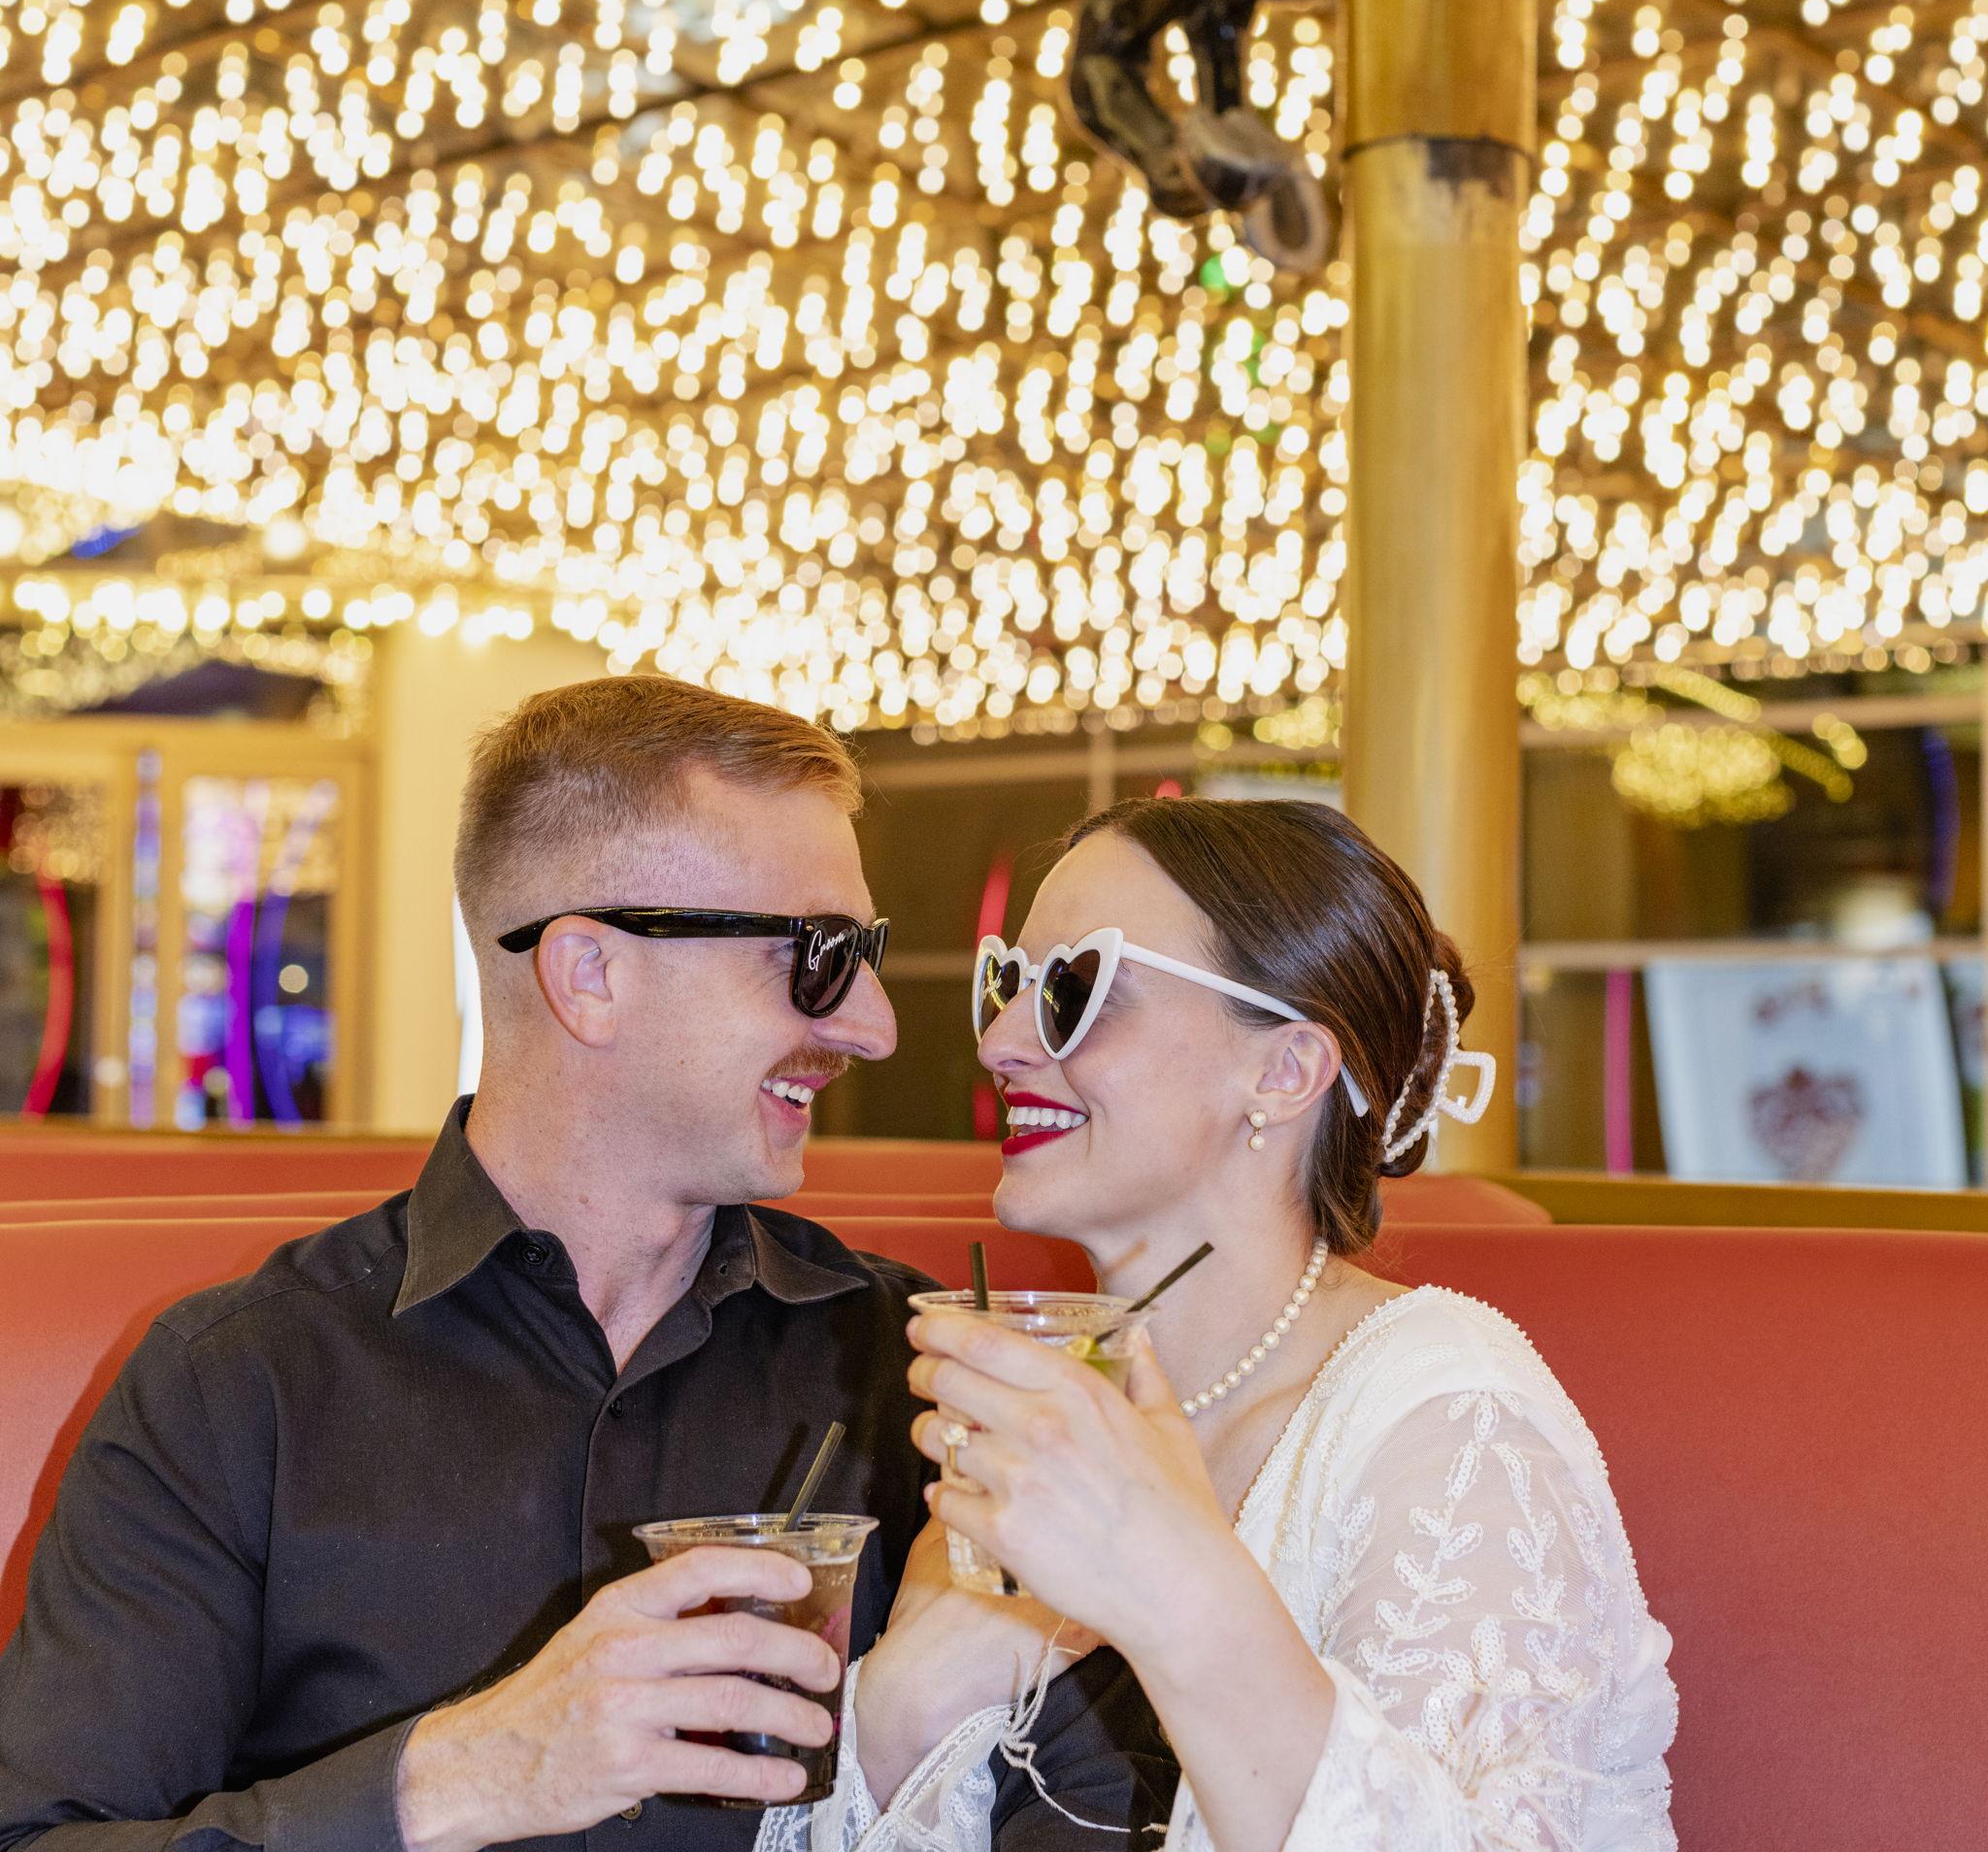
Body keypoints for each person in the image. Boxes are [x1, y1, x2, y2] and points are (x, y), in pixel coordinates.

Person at [0, 678, 1170, 1852]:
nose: (873, 1025)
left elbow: (1098, 1816)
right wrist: (455, 1777)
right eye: (817, 955)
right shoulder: (237, 1382)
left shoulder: (924, 1374)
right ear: (588, 975)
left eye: (863, 955)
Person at [790, 796, 1677, 1850]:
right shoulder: (1038, 1417)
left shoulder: (1450, 1421)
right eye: (1007, 982)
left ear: (1284, 1069)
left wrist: (1174, 1587)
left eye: (1075, 989)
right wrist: (906, 1700)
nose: (1001, 1040)